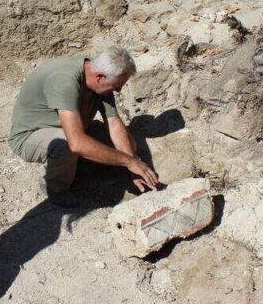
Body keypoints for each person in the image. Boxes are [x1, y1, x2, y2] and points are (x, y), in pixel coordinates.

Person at [9, 46, 160, 207]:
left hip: (75, 127)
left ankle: (78, 164)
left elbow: (114, 124)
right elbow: (76, 143)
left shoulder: (98, 76)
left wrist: (132, 161)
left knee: (127, 143)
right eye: (116, 86)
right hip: (31, 134)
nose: (118, 91)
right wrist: (128, 162)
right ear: (100, 78)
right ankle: (55, 189)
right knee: (66, 146)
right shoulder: (65, 81)